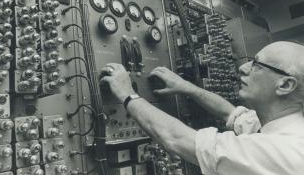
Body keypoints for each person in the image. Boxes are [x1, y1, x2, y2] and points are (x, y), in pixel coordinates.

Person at [100, 41, 304, 175]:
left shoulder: (285, 150)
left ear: (285, 85)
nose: (243, 67)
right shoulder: (278, 125)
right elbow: (230, 112)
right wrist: (188, 88)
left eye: (257, 64)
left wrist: (128, 94)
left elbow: (177, 138)